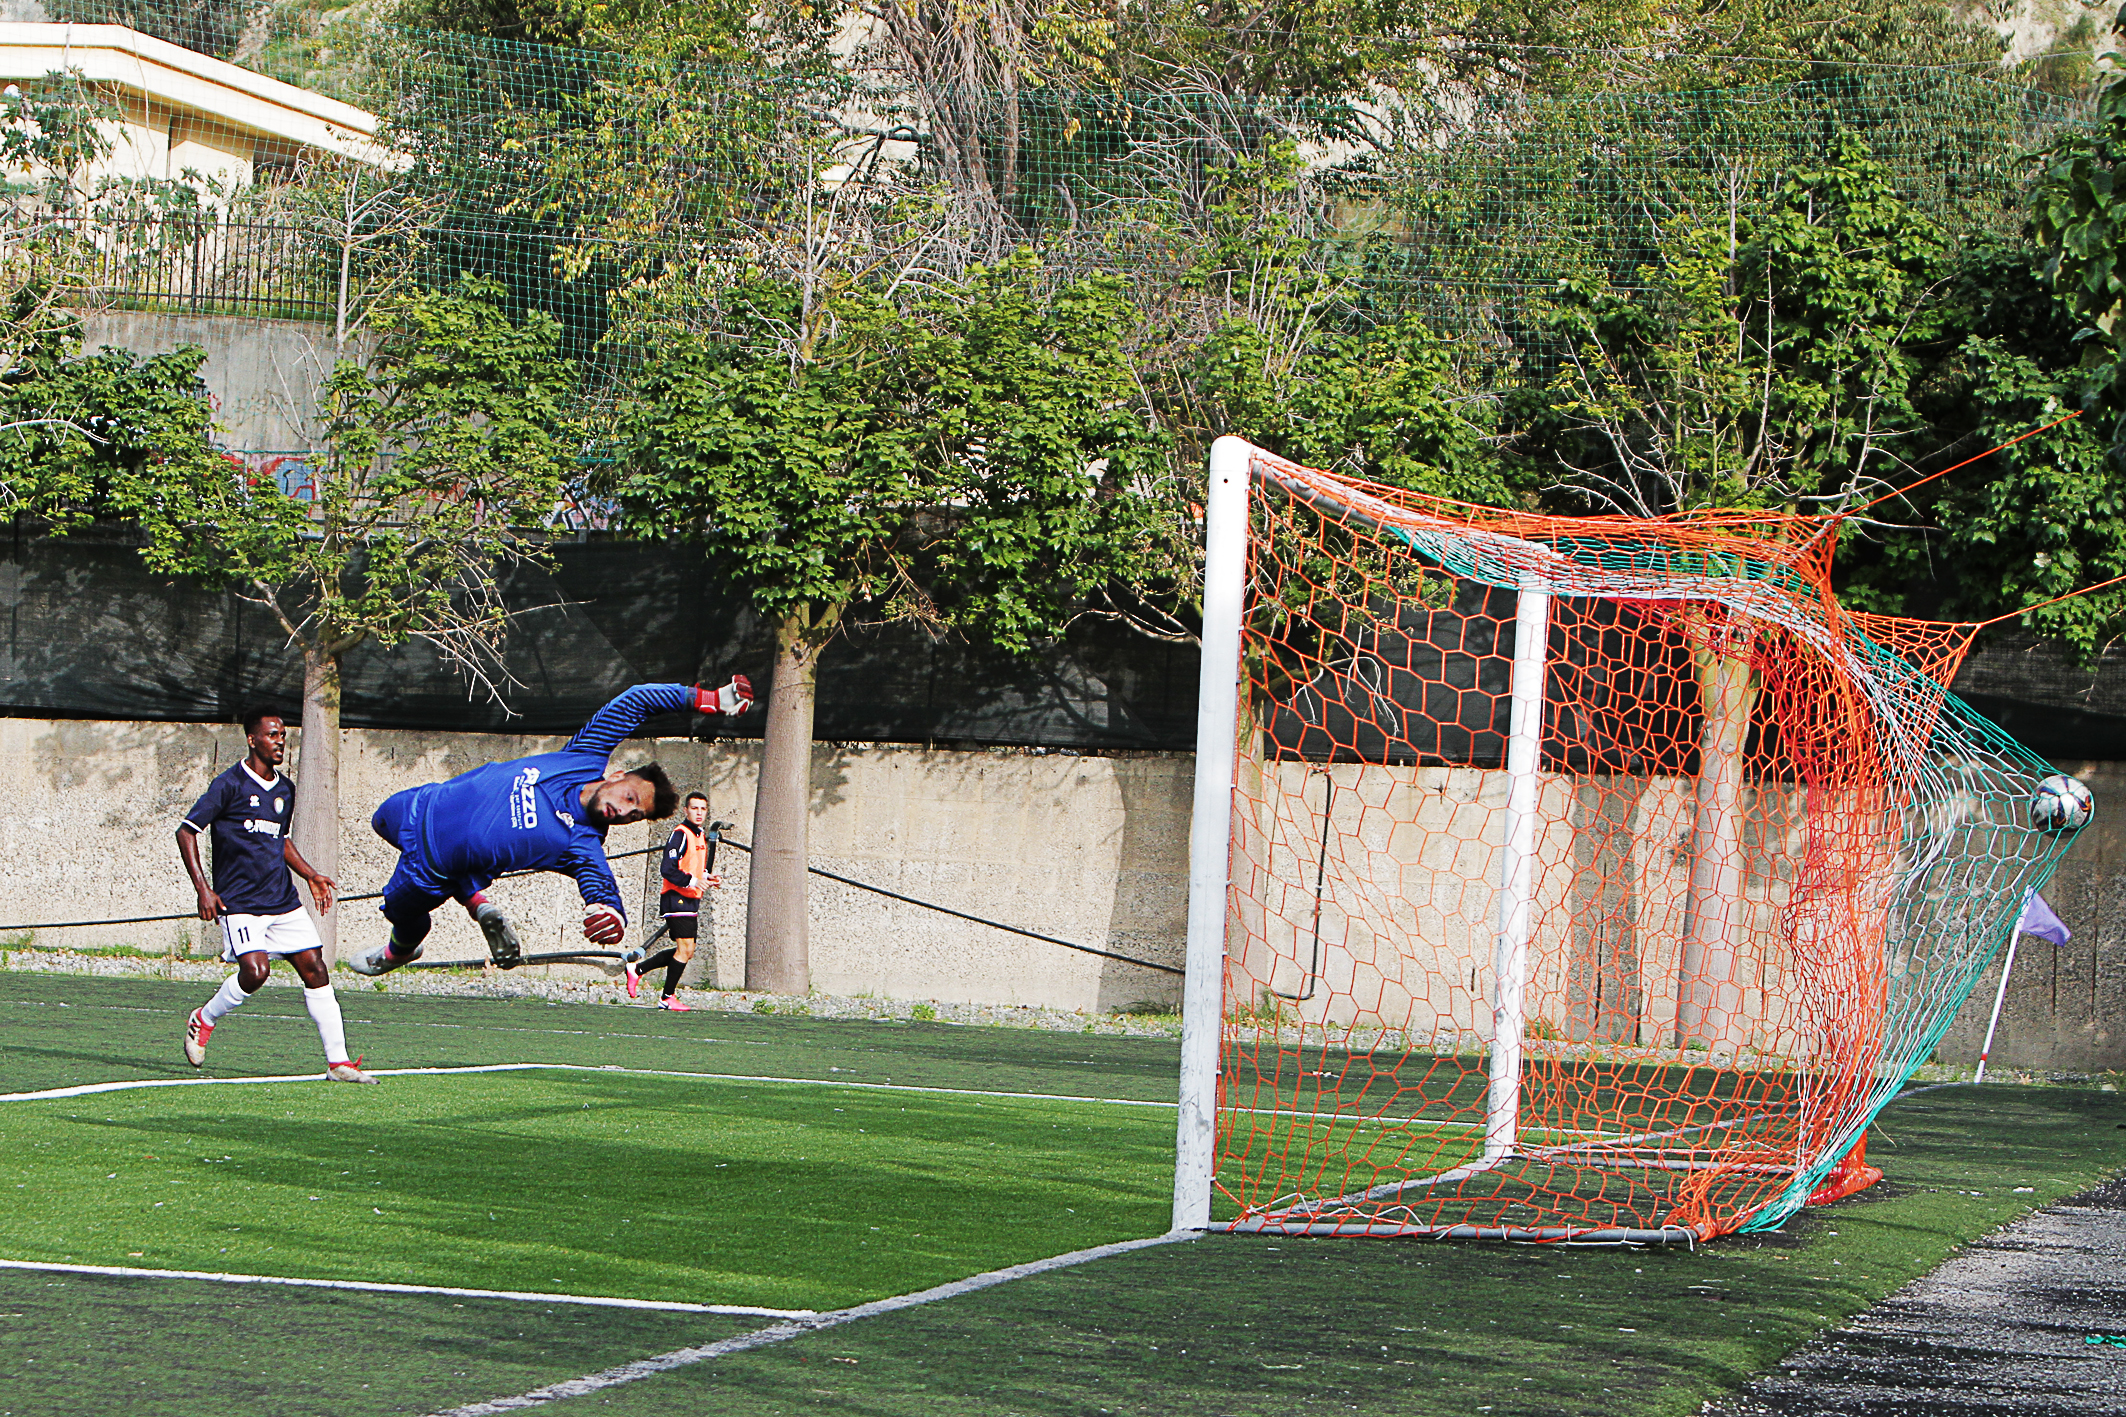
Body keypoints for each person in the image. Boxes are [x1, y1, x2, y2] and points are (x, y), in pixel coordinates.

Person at [348, 680, 752, 976]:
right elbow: (636, 701)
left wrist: (611, 914)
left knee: (404, 916)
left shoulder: (583, 842)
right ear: (617, 775)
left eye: (634, 815)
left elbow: (601, 887)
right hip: (425, 803)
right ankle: (474, 899)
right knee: (379, 819)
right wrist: (710, 699)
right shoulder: (583, 756)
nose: (623, 811)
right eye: (630, 797)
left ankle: (400, 952)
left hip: (428, 871)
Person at [179, 708, 370, 1083]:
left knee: (315, 968)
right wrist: (204, 889)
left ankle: (339, 1063)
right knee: (255, 973)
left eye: (282, 734)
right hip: (240, 903)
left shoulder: (285, 790)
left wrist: (310, 874)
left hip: (282, 900)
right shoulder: (229, 784)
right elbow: (186, 832)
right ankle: (204, 1018)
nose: (280, 741)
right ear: (252, 740)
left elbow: (280, 840)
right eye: (271, 735)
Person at [625, 791, 724, 1010]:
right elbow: (668, 869)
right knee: (684, 949)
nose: (699, 813)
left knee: (688, 951)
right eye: (694, 808)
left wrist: (706, 877)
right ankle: (667, 997)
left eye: (703, 809)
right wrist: (693, 881)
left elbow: (693, 868)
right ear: (686, 810)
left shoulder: (699, 835)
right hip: (675, 898)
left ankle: (637, 970)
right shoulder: (680, 833)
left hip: (690, 899)